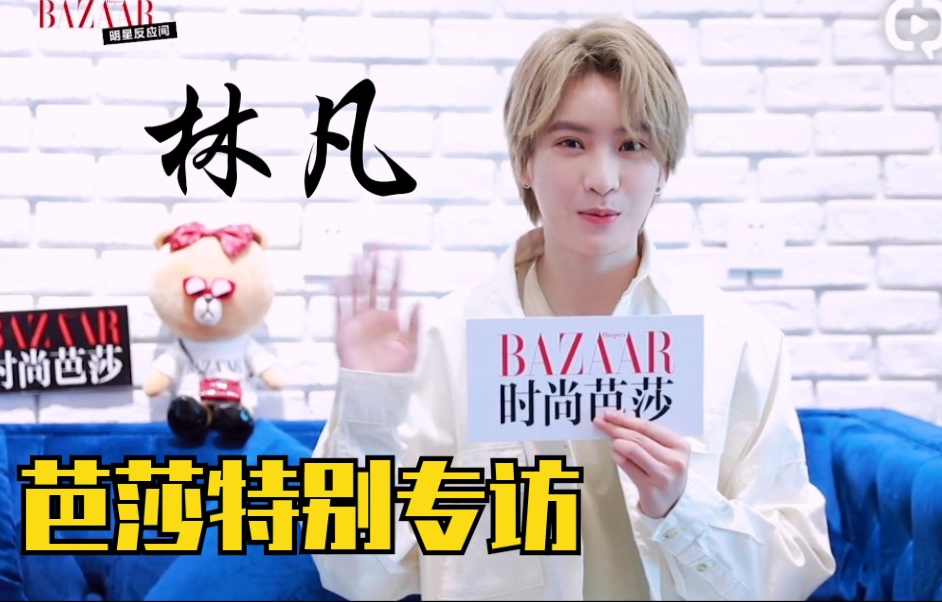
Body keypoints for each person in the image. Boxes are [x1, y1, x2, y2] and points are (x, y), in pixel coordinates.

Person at [311, 16, 836, 601]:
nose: (603, 179)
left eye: (632, 145)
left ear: (663, 166)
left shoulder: (739, 343)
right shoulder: (444, 340)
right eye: (571, 143)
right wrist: (370, 401)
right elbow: (357, 574)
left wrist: (684, 506)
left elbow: (794, 567)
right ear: (524, 162)